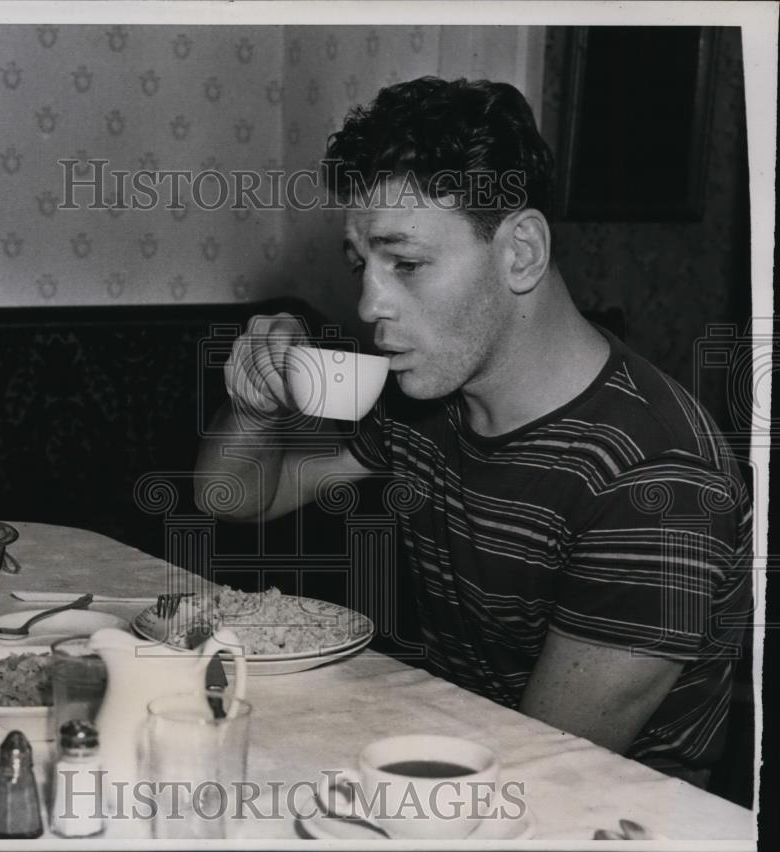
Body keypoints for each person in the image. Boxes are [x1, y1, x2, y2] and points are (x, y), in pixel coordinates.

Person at [195, 77, 751, 787]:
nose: (369, 303)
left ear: (520, 252)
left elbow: (535, 768)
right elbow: (236, 498)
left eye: (408, 263)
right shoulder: (427, 402)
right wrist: (255, 404)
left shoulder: (655, 478)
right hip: (452, 760)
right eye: (361, 264)